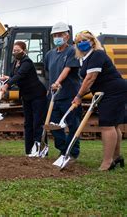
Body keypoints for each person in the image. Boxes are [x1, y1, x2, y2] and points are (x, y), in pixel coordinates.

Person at [72, 30, 127, 171]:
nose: (81, 44)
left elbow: (90, 78)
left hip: (113, 90)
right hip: (106, 91)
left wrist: (78, 96)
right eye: (78, 42)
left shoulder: (98, 54)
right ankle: (116, 157)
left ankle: (107, 162)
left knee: (107, 125)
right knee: (114, 125)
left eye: (84, 40)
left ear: (92, 41)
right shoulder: (86, 58)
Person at [0, 41, 47, 155]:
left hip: (37, 95)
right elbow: (15, 76)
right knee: (28, 123)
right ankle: (29, 151)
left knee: (37, 122)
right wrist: (8, 78)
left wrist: (7, 85)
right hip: (26, 96)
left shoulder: (27, 62)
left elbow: (21, 75)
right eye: (14, 51)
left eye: (17, 50)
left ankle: (40, 150)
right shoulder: (16, 62)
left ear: (24, 51)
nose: (15, 53)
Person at [45, 22, 82, 158]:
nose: (57, 37)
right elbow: (48, 72)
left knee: (73, 125)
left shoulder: (72, 51)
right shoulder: (50, 54)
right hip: (54, 97)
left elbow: (67, 69)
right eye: (55, 35)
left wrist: (57, 82)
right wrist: (50, 88)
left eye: (60, 35)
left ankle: (72, 153)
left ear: (67, 36)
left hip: (70, 95)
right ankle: (63, 149)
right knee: (54, 126)